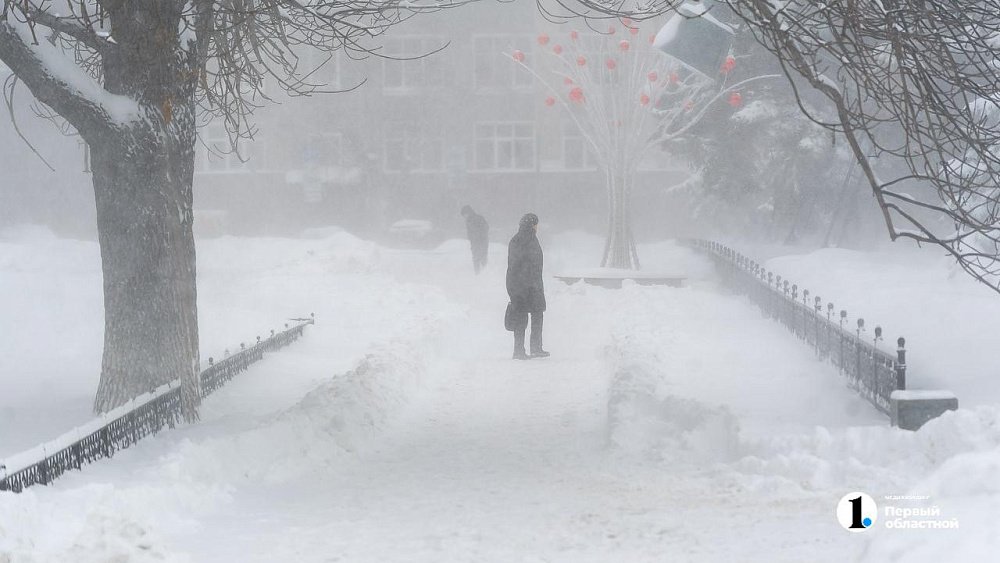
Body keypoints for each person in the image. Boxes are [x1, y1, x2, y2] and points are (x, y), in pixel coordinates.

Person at [506, 213, 549, 360]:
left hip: (522, 286)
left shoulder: (517, 240)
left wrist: (513, 287)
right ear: (532, 225)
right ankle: (532, 349)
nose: (537, 227)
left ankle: (521, 350)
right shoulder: (528, 240)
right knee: (535, 316)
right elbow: (521, 265)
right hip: (529, 286)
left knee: (522, 318)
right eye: (536, 224)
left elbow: (513, 266)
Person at [461, 205, 489, 274]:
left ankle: (482, 273)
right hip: (475, 242)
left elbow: (486, 228)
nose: (464, 217)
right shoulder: (469, 220)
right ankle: (480, 274)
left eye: (464, 215)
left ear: (468, 213)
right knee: (478, 258)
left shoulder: (477, 219)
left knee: (480, 258)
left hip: (481, 242)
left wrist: (478, 236)